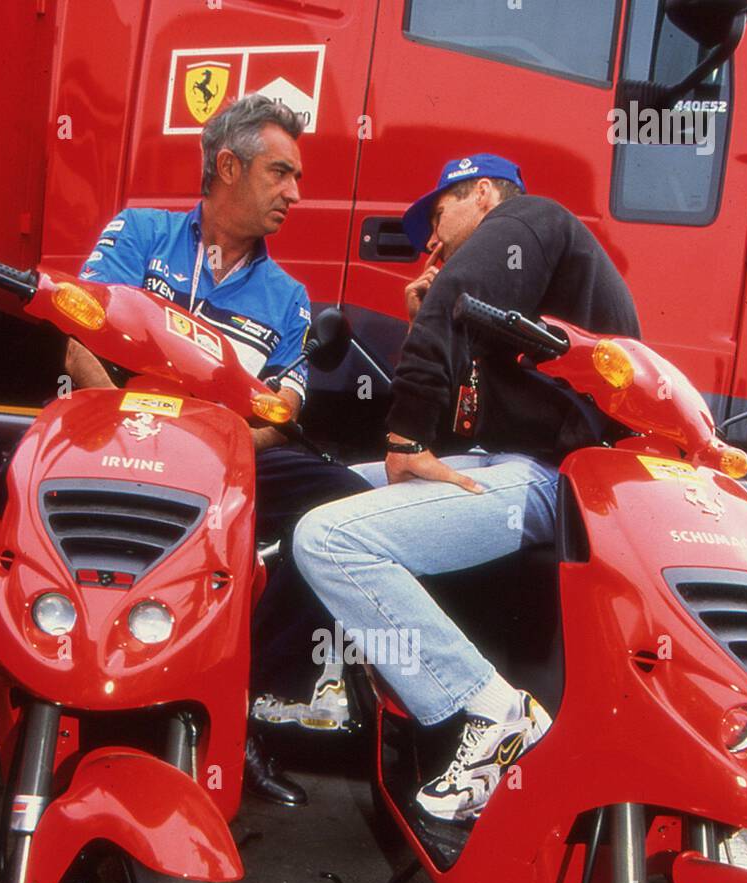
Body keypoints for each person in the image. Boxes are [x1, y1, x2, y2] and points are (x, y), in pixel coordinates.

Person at [293, 154, 640, 824]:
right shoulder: (513, 299)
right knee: (315, 488)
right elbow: (463, 431)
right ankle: (329, 674)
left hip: (560, 480)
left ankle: (492, 708)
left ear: (483, 195)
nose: (431, 241)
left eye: (440, 217)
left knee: (328, 537)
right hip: (510, 464)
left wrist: (400, 440)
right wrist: (443, 333)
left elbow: (450, 336)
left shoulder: (529, 217)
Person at [71, 92, 370, 805]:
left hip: (220, 454)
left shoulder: (288, 294)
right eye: (281, 173)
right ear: (227, 167)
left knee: (348, 510)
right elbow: (80, 336)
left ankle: (246, 705)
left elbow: (286, 407)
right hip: (108, 436)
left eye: (296, 177)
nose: (295, 194)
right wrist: (137, 427)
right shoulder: (139, 232)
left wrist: (216, 445)